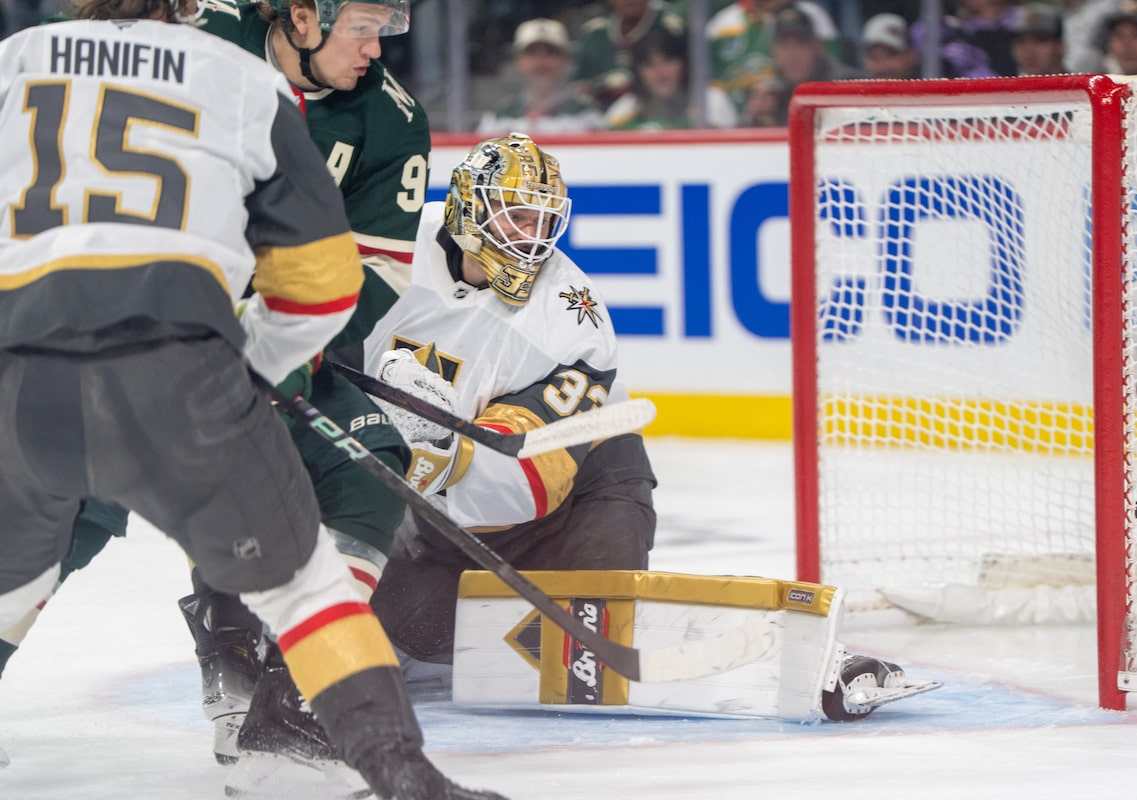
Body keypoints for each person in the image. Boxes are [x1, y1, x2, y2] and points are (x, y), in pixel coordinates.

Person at [0, 1, 504, 798]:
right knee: (133, 523)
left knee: (368, 463)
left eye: (390, 28)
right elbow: (326, 283)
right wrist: (259, 362)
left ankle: (287, 707)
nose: (378, 49)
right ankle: (377, 755)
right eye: (363, 26)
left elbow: (378, 278)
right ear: (302, 15)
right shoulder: (227, 63)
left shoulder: (23, 53)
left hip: (43, 347)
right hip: (204, 358)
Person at [356, 133, 659, 672]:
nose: (534, 238)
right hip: (441, 508)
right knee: (421, 630)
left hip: (583, 488)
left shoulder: (573, 317)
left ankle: (602, 596)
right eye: (517, 216)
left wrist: (447, 456)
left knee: (588, 640)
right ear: (469, 210)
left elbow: (537, 474)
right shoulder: (386, 243)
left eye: (545, 221)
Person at [476, 17, 604, 135]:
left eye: (551, 52)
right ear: (518, 61)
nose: (541, 61)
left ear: (567, 60)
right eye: (531, 53)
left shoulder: (586, 116)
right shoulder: (499, 117)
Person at [741, 4, 863, 127]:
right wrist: (755, 120)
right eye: (784, 45)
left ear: (816, 47)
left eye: (800, 44)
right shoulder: (772, 94)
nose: (793, 55)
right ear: (773, 51)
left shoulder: (847, 85)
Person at [604, 24, 739, 129]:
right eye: (650, 65)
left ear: (684, 64)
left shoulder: (711, 102)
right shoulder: (622, 113)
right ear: (639, 72)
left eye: (667, 61)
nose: (660, 73)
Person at [573, 0, 687, 111]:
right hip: (601, 115)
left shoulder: (672, 26)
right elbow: (579, 88)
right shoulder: (594, 34)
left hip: (667, 111)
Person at [1009, 3, 1068, 76]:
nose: (1029, 50)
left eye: (1040, 40)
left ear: (1060, 46)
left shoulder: (1081, 85)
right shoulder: (1007, 86)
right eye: (1021, 41)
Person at [860, 12, 920, 80]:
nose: (882, 67)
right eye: (874, 57)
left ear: (911, 56)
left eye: (891, 54)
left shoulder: (929, 88)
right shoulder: (856, 89)